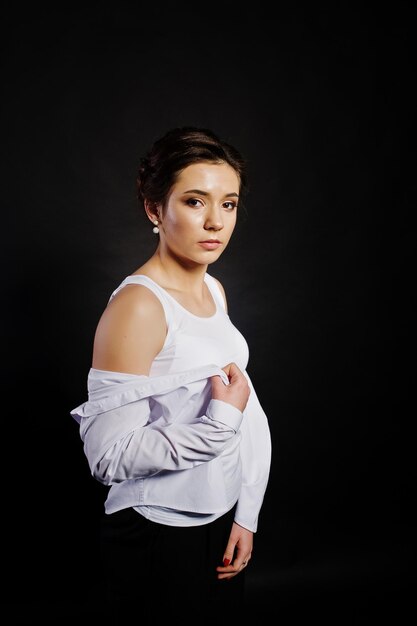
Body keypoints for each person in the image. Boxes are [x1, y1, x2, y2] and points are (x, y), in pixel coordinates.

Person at [70, 126, 272, 622]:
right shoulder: (139, 307)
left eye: (228, 204)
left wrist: (245, 512)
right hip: (156, 535)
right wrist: (217, 429)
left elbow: (246, 409)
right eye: (195, 201)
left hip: (219, 518)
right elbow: (107, 458)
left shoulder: (215, 289)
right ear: (154, 209)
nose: (215, 222)